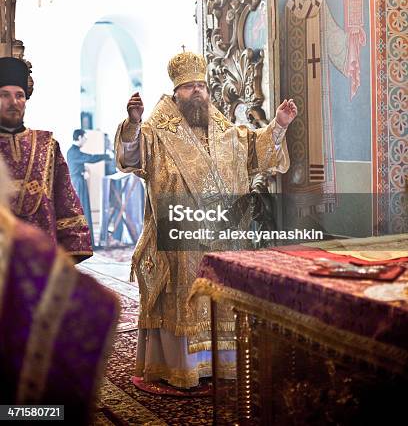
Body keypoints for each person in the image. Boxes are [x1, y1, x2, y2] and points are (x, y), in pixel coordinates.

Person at [115, 50, 297, 389]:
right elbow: (131, 157)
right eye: (188, 87)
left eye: (201, 86)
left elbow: (257, 150)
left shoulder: (227, 131)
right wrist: (134, 123)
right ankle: (181, 368)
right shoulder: (158, 131)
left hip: (225, 237)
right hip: (180, 240)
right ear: (176, 94)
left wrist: (279, 126)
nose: (197, 92)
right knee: (185, 294)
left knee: (223, 297)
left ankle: (222, 366)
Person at [0, 154, 119, 423]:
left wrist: (72, 245)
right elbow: (98, 305)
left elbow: (63, 193)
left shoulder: (47, 144)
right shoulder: (22, 244)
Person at [283, 0, 366, 201]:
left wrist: (351, 40)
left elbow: (332, 35)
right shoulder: (287, 8)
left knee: (318, 140)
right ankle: (298, 197)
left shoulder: (320, 2)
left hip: (317, 83)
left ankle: (321, 198)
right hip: (294, 87)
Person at [0, 57, 92, 262]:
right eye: (4, 95)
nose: (13, 102)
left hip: (41, 263)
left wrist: (71, 248)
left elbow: (65, 200)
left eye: (19, 95)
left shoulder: (47, 145)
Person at [67, 129, 111, 248]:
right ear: (80, 137)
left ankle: (87, 242)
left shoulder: (73, 152)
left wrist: (83, 170)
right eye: (85, 138)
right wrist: (106, 156)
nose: (86, 140)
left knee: (84, 212)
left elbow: (80, 164)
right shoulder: (74, 152)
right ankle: (87, 244)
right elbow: (90, 158)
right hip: (78, 183)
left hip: (78, 181)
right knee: (84, 212)